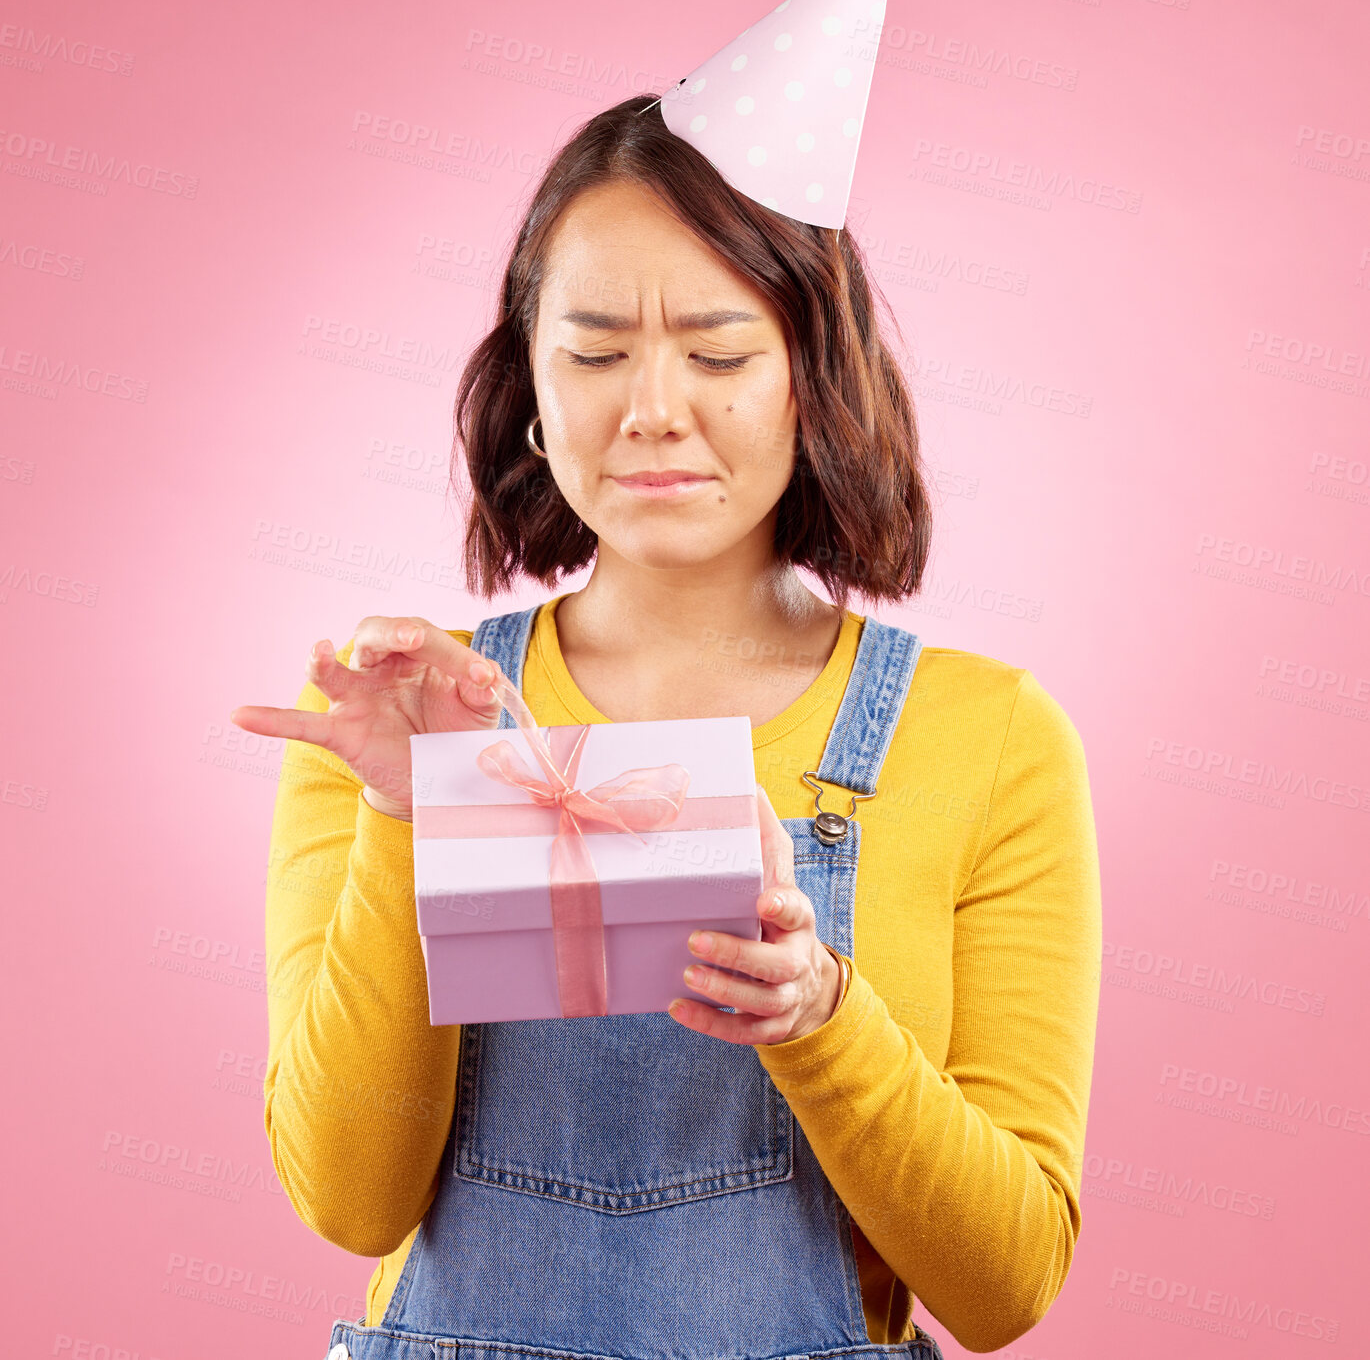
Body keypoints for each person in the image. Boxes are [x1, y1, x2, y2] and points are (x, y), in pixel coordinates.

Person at [232, 88, 1101, 1360]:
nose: (648, 408)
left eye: (715, 351)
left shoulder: (989, 738)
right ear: (529, 385)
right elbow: (347, 1198)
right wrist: (407, 819)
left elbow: (1003, 1283)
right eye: (592, 353)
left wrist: (818, 1017)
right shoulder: (393, 713)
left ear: (814, 376)